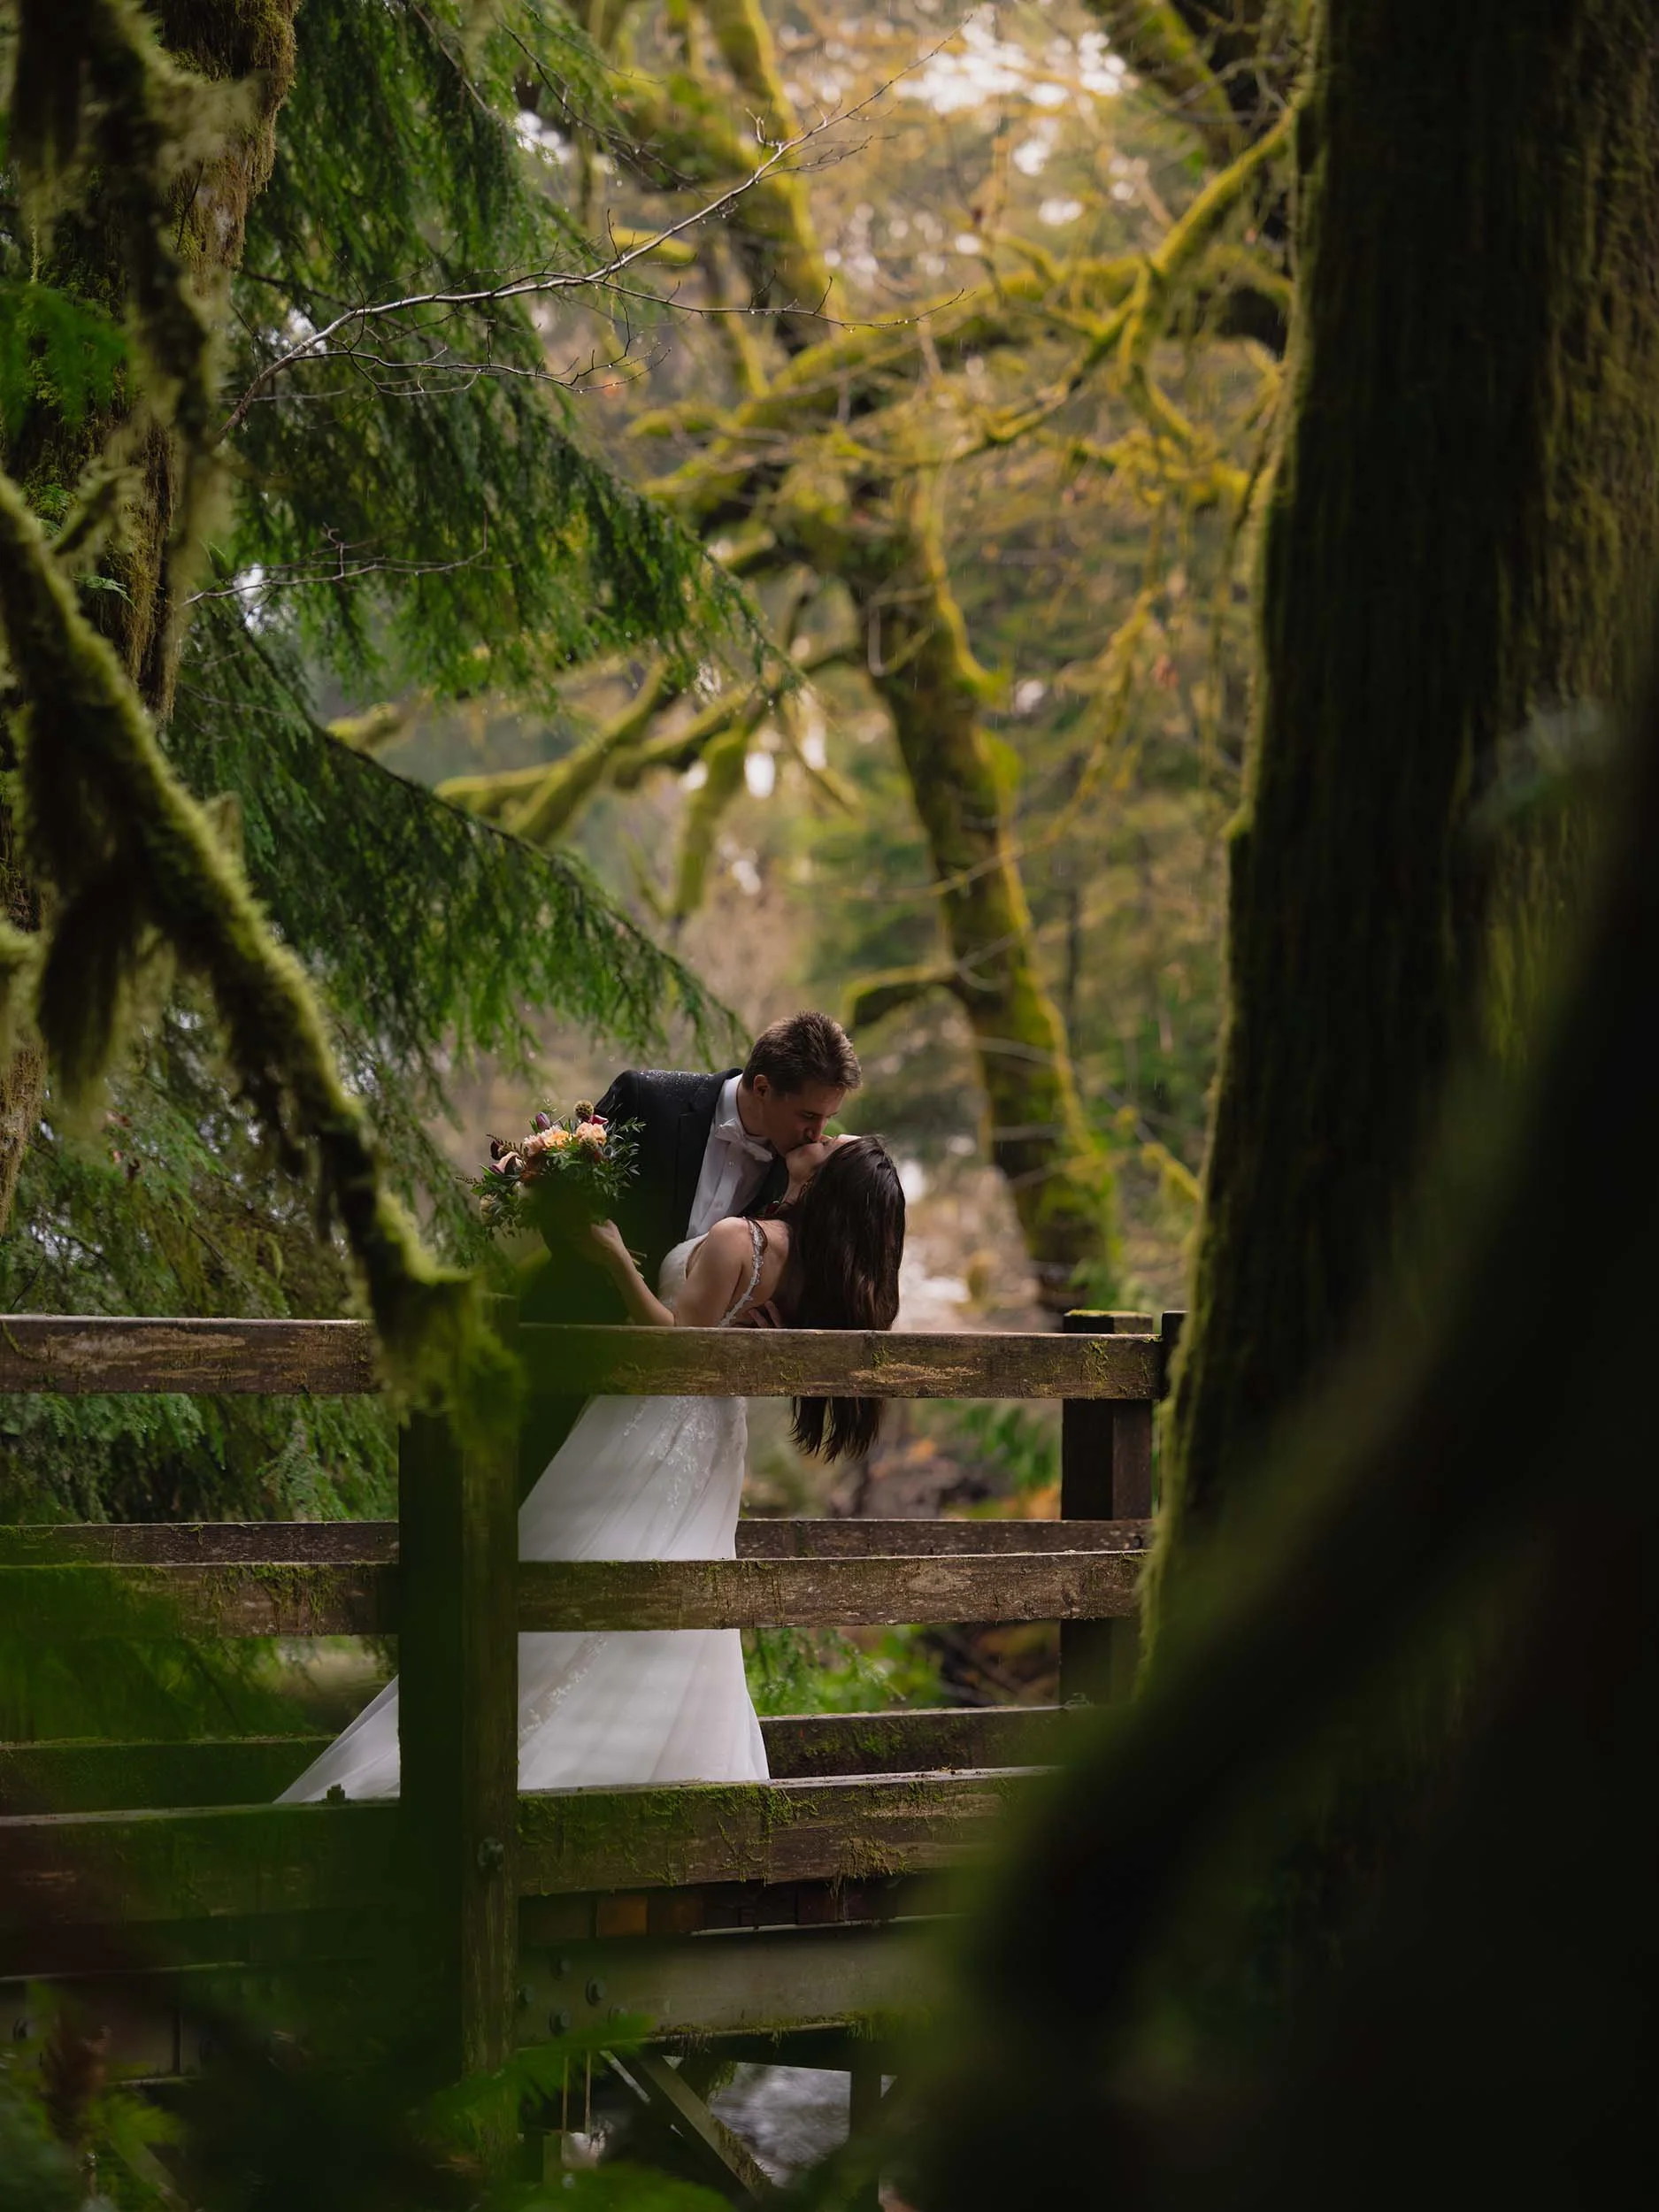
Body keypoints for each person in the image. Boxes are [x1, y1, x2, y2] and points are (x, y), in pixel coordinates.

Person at [279, 1133, 905, 1801]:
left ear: (829, 1180)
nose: (825, 1133)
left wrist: (614, 1261)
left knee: (573, 1565)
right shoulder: (810, 1269)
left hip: (654, 1423)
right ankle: (646, 1771)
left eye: (836, 1139)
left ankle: (497, 1766)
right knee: (666, 1590)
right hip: (717, 1437)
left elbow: (674, 1353)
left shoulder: (740, 1239)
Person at [515, 1009, 863, 1492]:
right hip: (570, 1345)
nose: (817, 1132)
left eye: (829, 1118)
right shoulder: (647, 1099)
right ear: (762, 1088)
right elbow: (561, 1202)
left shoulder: (800, 1174)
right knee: (523, 1501)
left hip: (678, 1397)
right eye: (808, 1115)